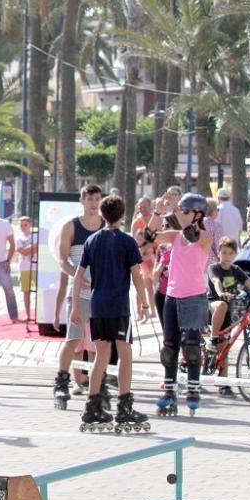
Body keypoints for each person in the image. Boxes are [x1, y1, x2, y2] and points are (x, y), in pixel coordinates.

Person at [70, 195, 150, 433]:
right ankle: (124, 406)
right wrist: (144, 303)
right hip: (118, 306)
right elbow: (137, 275)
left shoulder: (92, 240)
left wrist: (76, 306)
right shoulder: (127, 242)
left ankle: (92, 405)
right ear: (123, 214)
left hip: (97, 305)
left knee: (101, 355)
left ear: (102, 215)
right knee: (125, 354)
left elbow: (78, 275)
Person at [146, 192, 213, 415]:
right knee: (169, 347)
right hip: (172, 296)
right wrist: (158, 210)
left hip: (194, 296)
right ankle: (169, 391)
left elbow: (191, 235)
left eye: (185, 211)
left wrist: (178, 211)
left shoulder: (204, 236)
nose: (180, 215)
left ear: (197, 214)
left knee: (192, 347)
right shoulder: (175, 236)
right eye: (181, 211)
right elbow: (149, 235)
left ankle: (193, 389)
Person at [51, 184, 103, 408]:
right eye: (90, 199)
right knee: (74, 339)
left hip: (102, 294)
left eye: (97, 199)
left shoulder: (106, 226)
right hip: (80, 292)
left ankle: (96, 386)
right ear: (82, 201)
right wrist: (78, 275)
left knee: (98, 343)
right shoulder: (70, 226)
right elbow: (63, 259)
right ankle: (62, 383)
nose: (94, 204)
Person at [206, 237, 250, 396]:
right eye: (224, 252)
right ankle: (212, 339)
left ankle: (223, 385)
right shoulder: (214, 267)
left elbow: (249, 283)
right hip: (212, 307)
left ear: (235, 255)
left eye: (230, 253)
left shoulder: (236, 270)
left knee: (225, 347)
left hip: (227, 313)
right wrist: (221, 293)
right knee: (222, 304)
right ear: (218, 253)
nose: (226, 256)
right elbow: (216, 281)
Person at [16, 216, 37, 322]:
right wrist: (33, 247)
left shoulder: (36, 236)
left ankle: (40, 314)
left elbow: (38, 247)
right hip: (24, 268)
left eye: (25, 225)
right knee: (26, 291)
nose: (23, 227)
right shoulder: (19, 239)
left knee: (39, 291)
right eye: (21, 225)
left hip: (36, 267)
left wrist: (29, 249)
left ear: (30, 225)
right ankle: (28, 315)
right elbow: (22, 252)